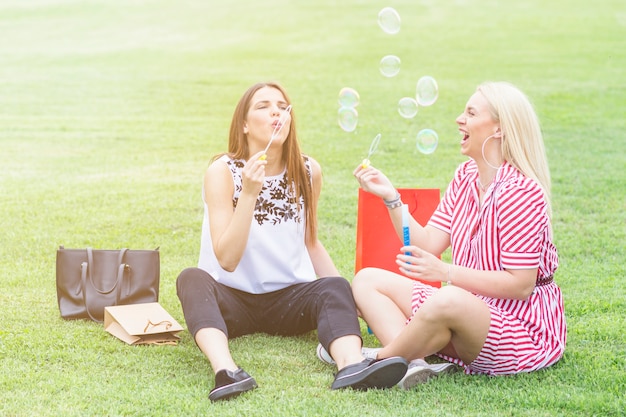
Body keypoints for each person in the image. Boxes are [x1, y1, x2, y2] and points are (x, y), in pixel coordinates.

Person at [176, 81, 408, 402]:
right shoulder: (223, 172)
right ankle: (226, 371)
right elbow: (226, 259)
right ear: (243, 124)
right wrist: (249, 194)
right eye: (263, 106)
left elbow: (310, 242)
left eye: (282, 106)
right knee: (192, 279)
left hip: (288, 301)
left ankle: (351, 366)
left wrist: (347, 300)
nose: (276, 112)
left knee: (336, 285)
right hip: (231, 299)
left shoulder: (308, 170)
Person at [351, 81, 566, 390]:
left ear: (499, 128)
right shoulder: (465, 176)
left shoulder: (522, 192)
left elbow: (520, 285)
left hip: (520, 327)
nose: (459, 120)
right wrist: (391, 197)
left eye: (470, 112)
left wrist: (446, 272)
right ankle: (415, 364)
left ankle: (374, 361)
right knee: (368, 279)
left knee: (449, 298)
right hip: (467, 309)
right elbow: (427, 242)